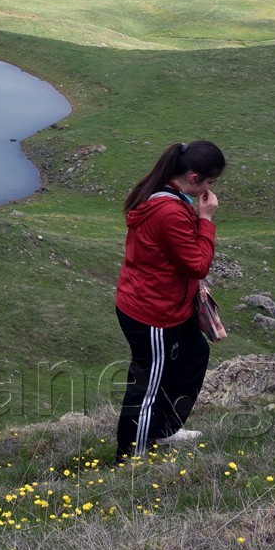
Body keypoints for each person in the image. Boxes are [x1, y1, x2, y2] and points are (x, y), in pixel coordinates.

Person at [114, 140, 225, 461]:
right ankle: (131, 454)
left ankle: (163, 430)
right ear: (193, 178)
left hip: (163, 304)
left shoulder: (164, 193)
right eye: (209, 183)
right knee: (148, 383)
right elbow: (198, 264)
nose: (210, 190)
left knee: (194, 355)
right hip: (154, 314)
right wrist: (206, 219)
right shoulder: (170, 212)